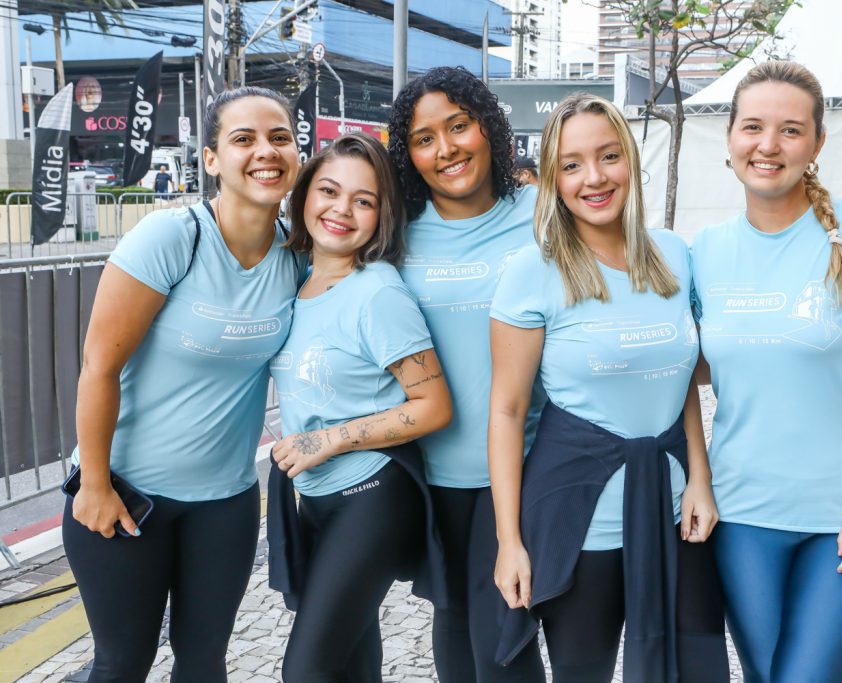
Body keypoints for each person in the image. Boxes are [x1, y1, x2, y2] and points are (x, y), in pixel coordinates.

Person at [689, 61, 842, 683]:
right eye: (753, 127)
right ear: (731, 138)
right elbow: (686, 375)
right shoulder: (704, 253)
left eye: (790, 130)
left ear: (817, 143)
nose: (768, 146)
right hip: (743, 518)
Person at [62, 86, 304, 682]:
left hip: (224, 502)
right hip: (124, 495)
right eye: (243, 139)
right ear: (212, 158)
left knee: (203, 664)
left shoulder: (299, 254)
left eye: (280, 137)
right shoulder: (174, 237)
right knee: (122, 664)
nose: (265, 152)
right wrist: (94, 484)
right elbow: (99, 365)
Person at [488, 94, 727, 683]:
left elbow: (681, 387)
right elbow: (509, 410)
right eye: (571, 165)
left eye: (608, 156)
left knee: (693, 667)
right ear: (552, 178)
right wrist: (509, 541)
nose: (593, 178)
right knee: (581, 672)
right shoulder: (531, 269)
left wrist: (700, 478)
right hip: (581, 516)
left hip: (678, 513)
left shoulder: (674, 255)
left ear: (631, 163)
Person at [266, 133, 453, 681]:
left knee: (306, 671)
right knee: (352, 663)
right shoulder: (298, 278)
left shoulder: (378, 293)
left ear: (382, 215)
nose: (341, 210)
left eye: (364, 200)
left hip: (373, 496)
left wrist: (329, 438)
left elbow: (434, 405)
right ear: (304, 196)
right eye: (328, 190)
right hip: (317, 498)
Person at [388, 66, 547, 682]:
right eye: (425, 138)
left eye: (459, 126)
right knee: (453, 628)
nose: (447, 148)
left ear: (489, 127)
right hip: (433, 475)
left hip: (528, 467)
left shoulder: (543, 213)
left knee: (504, 642)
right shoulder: (395, 231)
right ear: (410, 156)